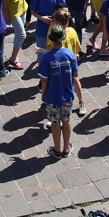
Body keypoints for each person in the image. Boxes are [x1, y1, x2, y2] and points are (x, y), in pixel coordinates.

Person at [37, 26, 81, 157]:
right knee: (67, 119)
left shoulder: (47, 57)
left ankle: (57, 149)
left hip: (52, 96)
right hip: (67, 94)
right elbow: (75, 74)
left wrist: (43, 94)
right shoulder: (70, 54)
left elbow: (44, 80)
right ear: (63, 38)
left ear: (50, 39)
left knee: (55, 122)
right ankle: (66, 147)